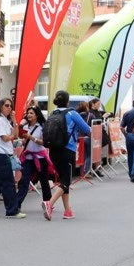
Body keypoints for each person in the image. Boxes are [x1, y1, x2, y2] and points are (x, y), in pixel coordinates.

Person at [44, 90, 91, 220]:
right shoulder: (72, 113)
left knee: (63, 179)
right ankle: (49, 203)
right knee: (66, 181)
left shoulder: (53, 113)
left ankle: (67, 211)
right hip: (68, 150)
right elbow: (87, 130)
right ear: (68, 101)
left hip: (53, 151)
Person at [16, 106, 53, 210]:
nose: (29, 115)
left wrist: (31, 138)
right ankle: (17, 204)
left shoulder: (42, 127)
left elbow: (44, 142)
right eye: (28, 113)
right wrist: (24, 140)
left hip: (40, 158)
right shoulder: (26, 127)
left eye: (31, 113)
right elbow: (24, 140)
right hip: (28, 158)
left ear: (37, 115)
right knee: (24, 180)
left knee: (44, 181)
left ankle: (48, 203)